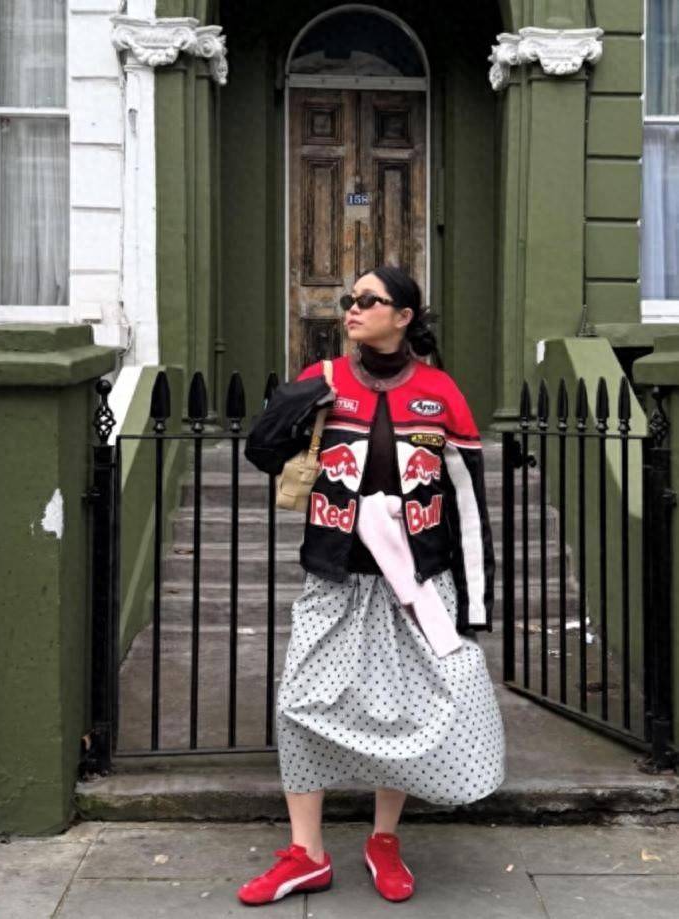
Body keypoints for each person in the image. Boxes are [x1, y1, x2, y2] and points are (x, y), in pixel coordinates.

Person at [239, 265, 506, 906]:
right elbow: (261, 450)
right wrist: (307, 397)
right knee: (299, 705)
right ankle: (306, 854)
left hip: (417, 581)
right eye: (349, 299)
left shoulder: (441, 393)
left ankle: (384, 840)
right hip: (336, 574)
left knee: (408, 709)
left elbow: (468, 504)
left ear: (404, 316)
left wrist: (473, 600)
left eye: (368, 300)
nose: (352, 309)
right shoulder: (324, 378)